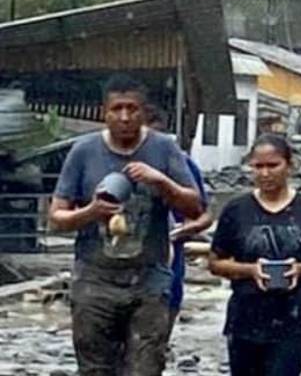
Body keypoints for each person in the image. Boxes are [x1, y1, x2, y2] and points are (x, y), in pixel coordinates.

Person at [48, 75, 203, 376]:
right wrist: (91, 211)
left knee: (145, 367)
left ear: (144, 112)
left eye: (132, 109)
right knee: (94, 368)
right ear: (103, 112)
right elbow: (57, 218)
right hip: (95, 280)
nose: (124, 117)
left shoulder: (164, 149)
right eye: (117, 109)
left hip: (148, 280)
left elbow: (195, 207)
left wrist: (161, 181)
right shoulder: (84, 152)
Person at [209, 134, 301, 376]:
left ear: (289, 166)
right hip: (245, 318)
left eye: (272, 165)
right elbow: (215, 263)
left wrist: (299, 269)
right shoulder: (236, 210)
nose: (265, 173)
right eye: (258, 166)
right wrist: (250, 270)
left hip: (295, 320)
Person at [144, 106, 215, 338]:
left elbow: (204, 215)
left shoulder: (180, 164)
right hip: (116, 275)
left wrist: (182, 231)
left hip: (167, 268)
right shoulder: (109, 162)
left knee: (153, 350)